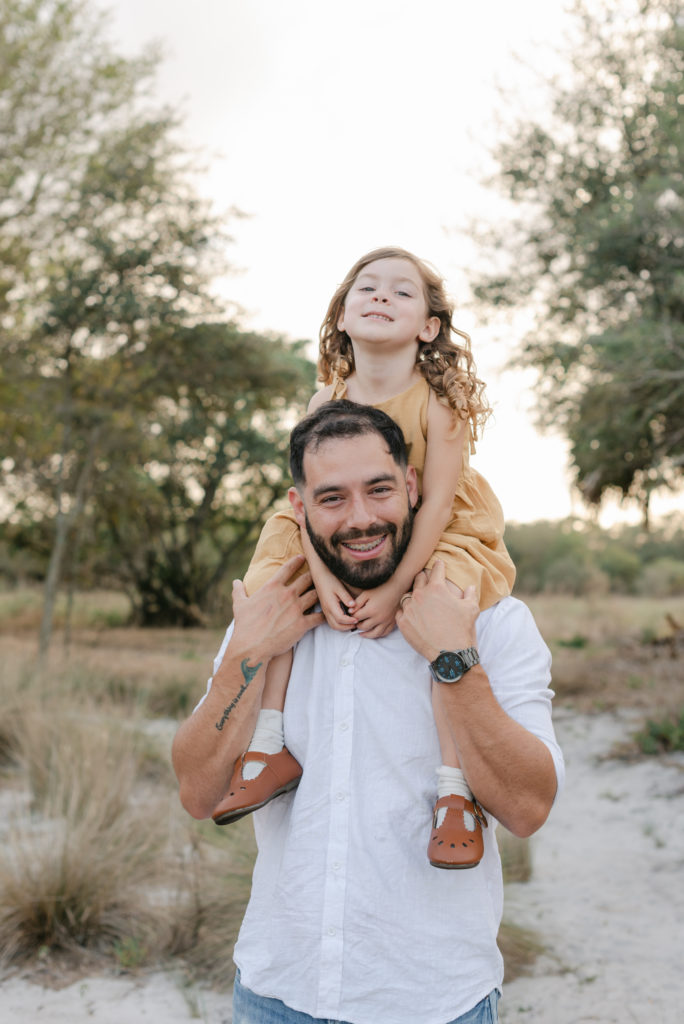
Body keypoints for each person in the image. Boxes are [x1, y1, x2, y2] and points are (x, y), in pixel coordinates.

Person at [172, 401, 564, 1024]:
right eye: (332, 498)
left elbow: (526, 807)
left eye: (379, 490)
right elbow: (198, 791)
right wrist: (246, 651)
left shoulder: (492, 622)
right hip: (276, 992)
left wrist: (454, 658)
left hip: (435, 1000)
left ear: (413, 487)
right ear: (299, 510)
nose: (361, 519)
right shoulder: (268, 619)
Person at [211, 247, 516, 869]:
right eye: (367, 289)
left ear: (428, 326)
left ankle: (455, 792)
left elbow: (434, 506)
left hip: (438, 521)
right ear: (343, 316)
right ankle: (269, 744)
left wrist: (394, 587)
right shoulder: (326, 398)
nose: (382, 297)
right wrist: (321, 579)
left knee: (444, 606)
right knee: (272, 581)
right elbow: (305, 509)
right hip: (331, 522)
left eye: (402, 292)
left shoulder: (438, 400)